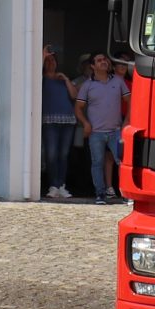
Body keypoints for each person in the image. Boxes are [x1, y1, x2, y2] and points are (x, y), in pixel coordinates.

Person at [78, 53, 131, 204]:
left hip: (116, 131)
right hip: (96, 133)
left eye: (105, 60)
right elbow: (78, 107)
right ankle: (100, 194)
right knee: (97, 163)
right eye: (99, 60)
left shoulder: (118, 81)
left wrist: (127, 120)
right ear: (92, 66)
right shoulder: (87, 85)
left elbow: (130, 100)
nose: (103, 62)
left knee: (122, 162)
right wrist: (86, 123)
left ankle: (127, 195)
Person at [38, 48, 80, 200]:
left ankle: (62, 185)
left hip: (68, 120)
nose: (51, 63)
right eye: (48, 61)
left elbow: (75, 95)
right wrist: (43, 56)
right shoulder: (41, 79)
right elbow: (34, 78)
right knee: (51, 154)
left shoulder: (62, 79)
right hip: (49, 120)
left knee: (63, 154)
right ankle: (53, 185)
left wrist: (66, 79)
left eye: (53, 60)